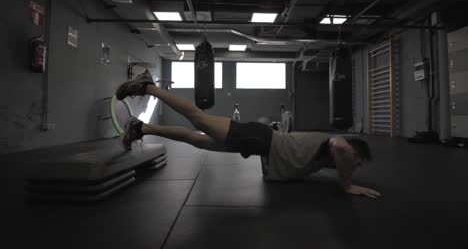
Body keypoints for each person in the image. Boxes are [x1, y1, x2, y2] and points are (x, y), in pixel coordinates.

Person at [116, 71, 381, 199]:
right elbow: (341, 149)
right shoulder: (339, 144)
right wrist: (347, 185)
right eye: (357, 160)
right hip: (260, 138)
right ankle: (148, 86)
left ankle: (142, 128)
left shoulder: (322, 160)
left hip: (260, 144)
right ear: (353, 149)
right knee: (199, 118)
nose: (353, 165)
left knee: (194, 138)